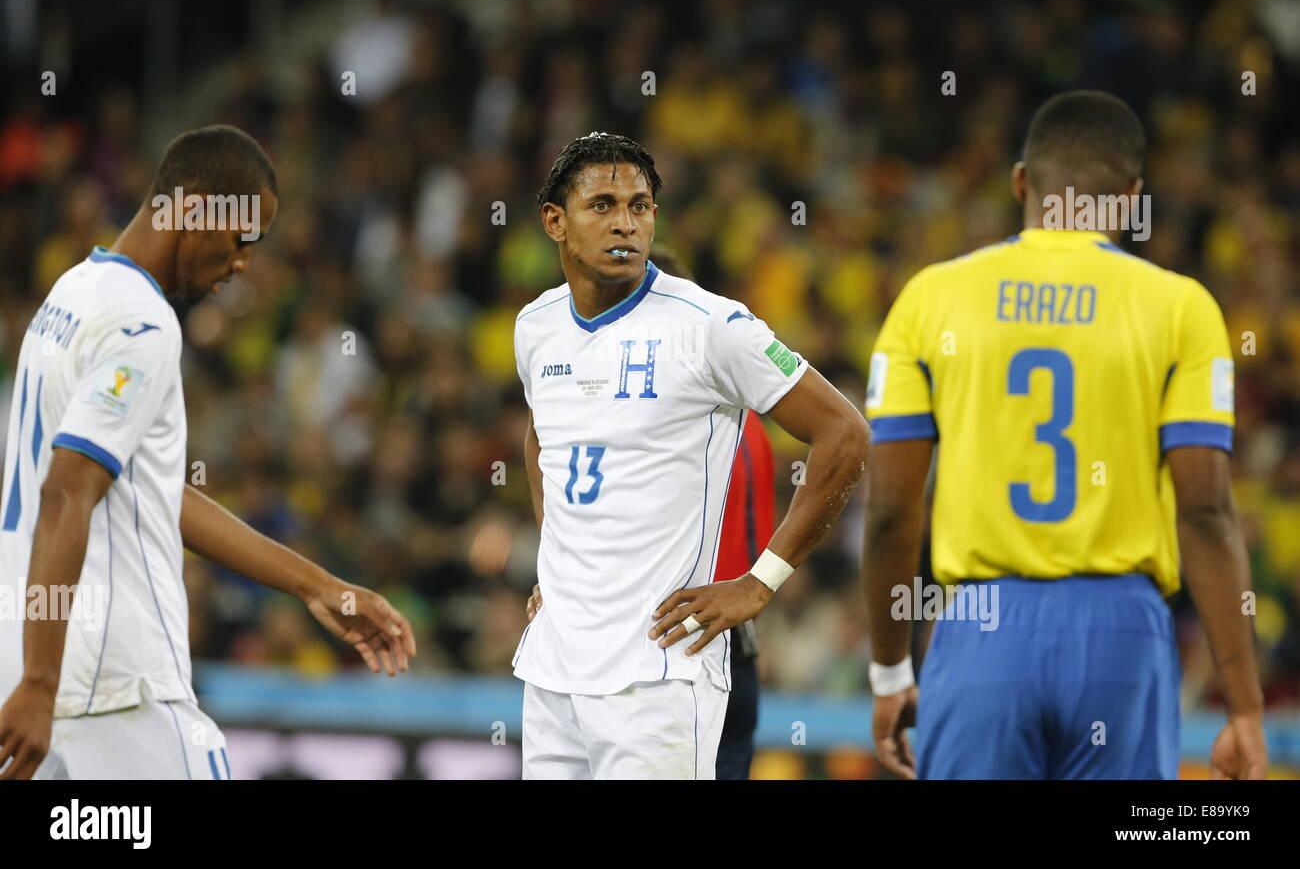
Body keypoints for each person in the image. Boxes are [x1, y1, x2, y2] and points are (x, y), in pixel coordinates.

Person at [862, 90, 1268, 779]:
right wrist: (1245, 706)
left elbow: (892, 512)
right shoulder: (1182, 307)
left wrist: (889, 668)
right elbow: (1205, 512)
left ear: (1021, 180)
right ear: (1133, 196)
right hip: (1123, 632)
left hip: (982, 626)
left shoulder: (931, 298)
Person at [0, 125, 415, 780]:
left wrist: (319, 587)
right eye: (242, 237)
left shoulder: (70, 294)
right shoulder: (144, 323)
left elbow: (146, 491)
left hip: (44, 675)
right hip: (121, 695)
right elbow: (65, 492)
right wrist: (42, 686)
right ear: (194, 210)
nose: (244, 261)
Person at [514, 132, 868, 779]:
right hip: (553, 672)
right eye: (603, 205)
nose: (626, 221)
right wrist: (552, 558)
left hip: (659, 677)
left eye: (641, 205)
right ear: (555, 222)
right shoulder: (536, 327)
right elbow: (543, 437)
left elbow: (844, 433)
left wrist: (760, 582)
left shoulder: (710, 326)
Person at [525, 246, 777, 780]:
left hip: (693, 635)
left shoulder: (724, 426)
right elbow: (538, 440)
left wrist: (755, 587)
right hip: (680, 633)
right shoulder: (737, 431)